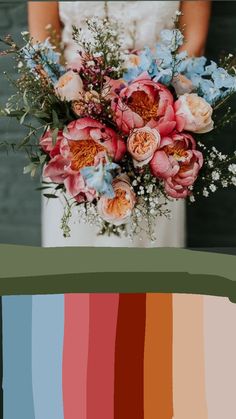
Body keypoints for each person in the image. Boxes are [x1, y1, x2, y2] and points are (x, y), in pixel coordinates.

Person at [26, 2, 212, 418]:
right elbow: (43, 40)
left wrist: (148, 119)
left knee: (153, 326)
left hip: (159, 142)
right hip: (78, 146)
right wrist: (82, 111)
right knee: (70, 322)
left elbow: (193, 40)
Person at [28, 0, 211, 248]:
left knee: (149, 273)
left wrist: (148, 116)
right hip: (77, 138)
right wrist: (81, 106)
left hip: (157, 135)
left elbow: (193, 43)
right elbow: (42, 45)